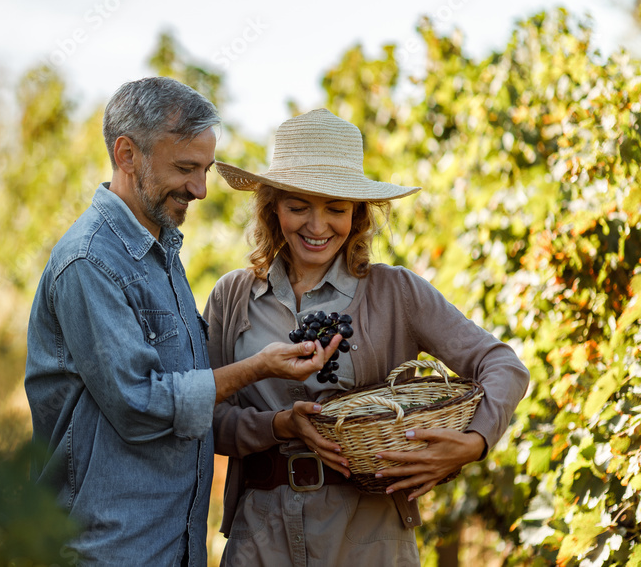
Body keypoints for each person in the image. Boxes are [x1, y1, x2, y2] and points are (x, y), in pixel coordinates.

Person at [24, 78, 340, 566]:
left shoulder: (161, 252)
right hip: (107, 550)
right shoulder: (90, 262)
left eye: (206, 169)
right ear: (127, 154)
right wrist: (258, 368)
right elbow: (139, 403)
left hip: (170, 546)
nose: (200, 188)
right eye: (186, 168)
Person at [204, 108, 530, 566]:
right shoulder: (232, 297)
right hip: (260, 537)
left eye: (335, 209)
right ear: (272, 206)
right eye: (298, 206)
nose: (317, 227)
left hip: (368, 538)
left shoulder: (396, 292)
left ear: (357, 214)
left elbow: (503, 365)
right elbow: (208, 417)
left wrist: (475, 442)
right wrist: (277, 425)